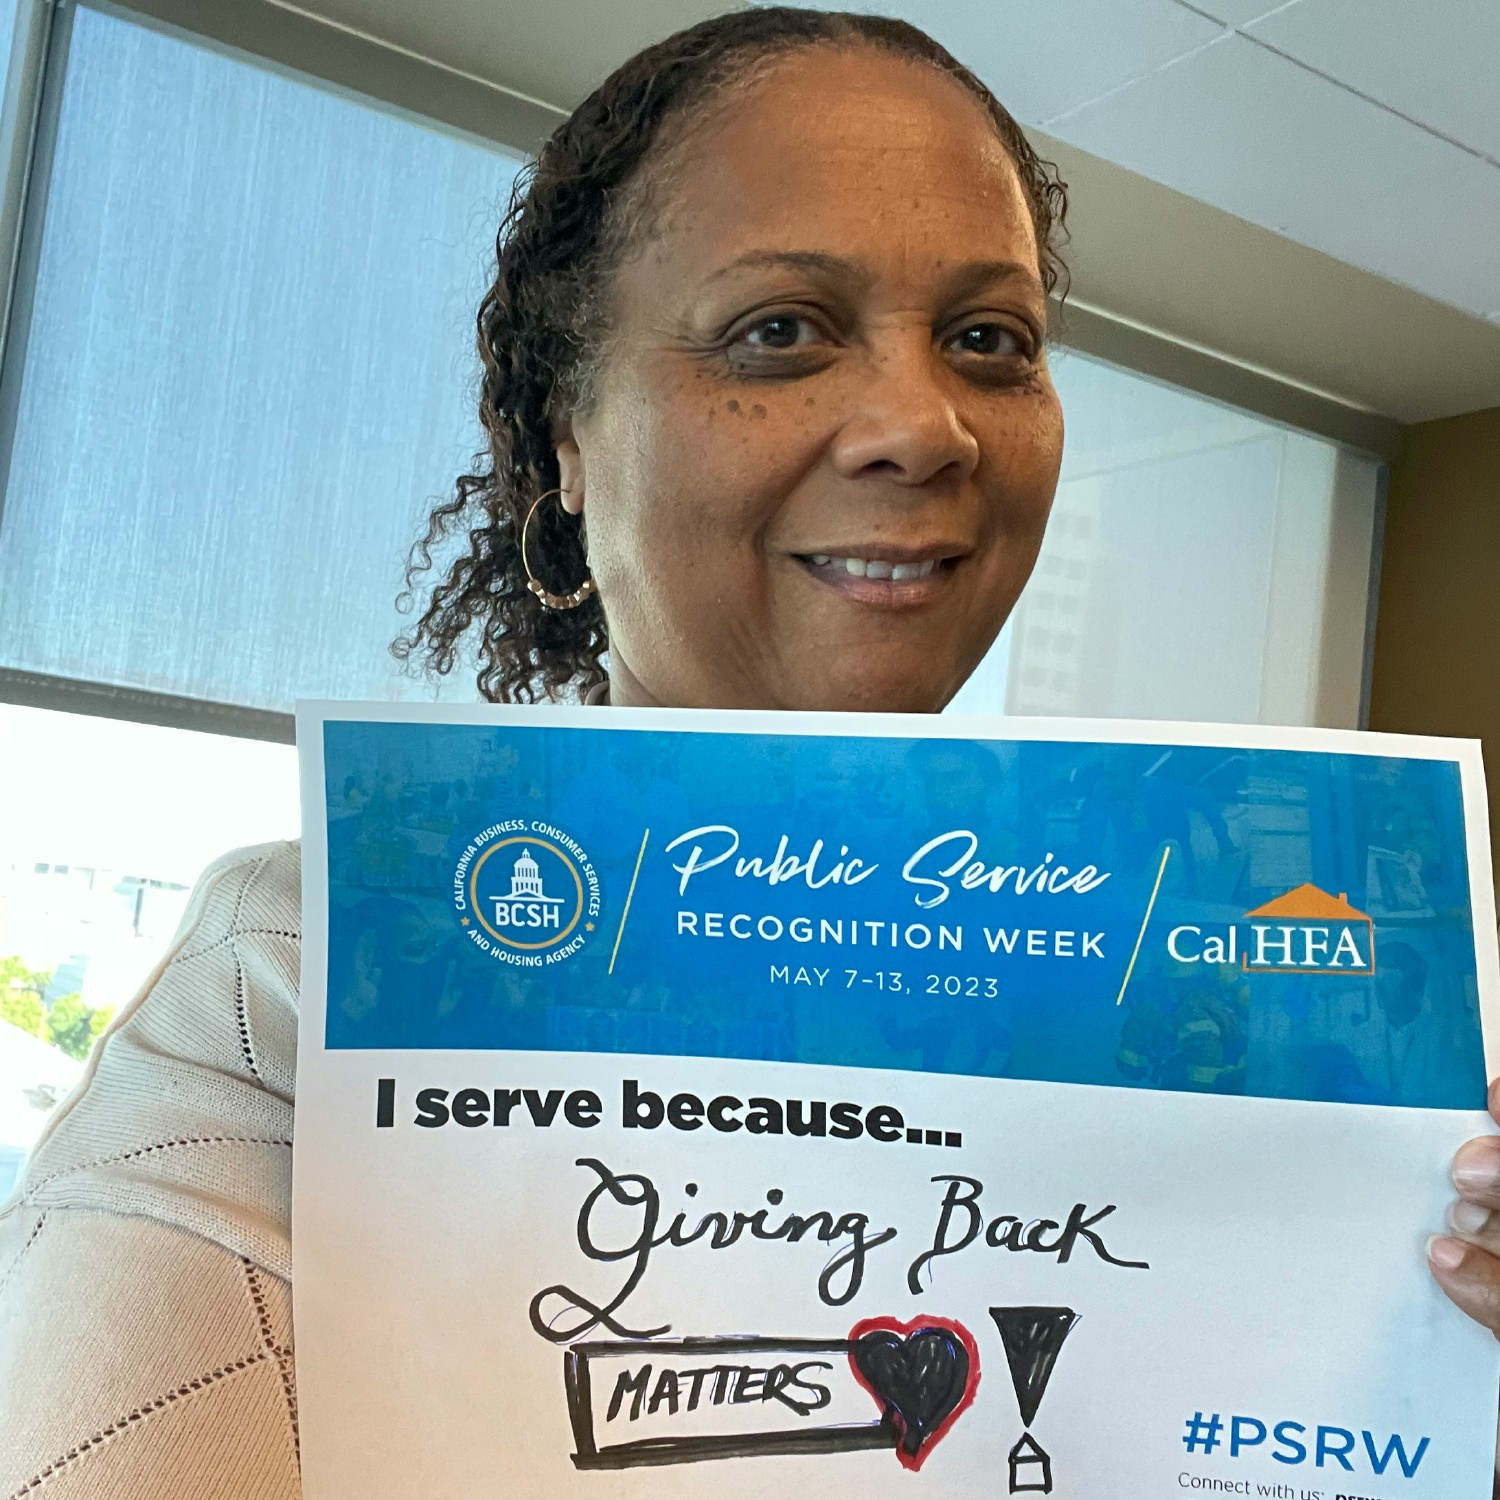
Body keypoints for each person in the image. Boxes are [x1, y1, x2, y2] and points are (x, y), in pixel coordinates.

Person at [0, 8, 1494, 1497]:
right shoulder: (302, 988)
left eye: (990, 340)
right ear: (568, 436)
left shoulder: (1258, 998)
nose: (924, 426)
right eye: (778, 330)